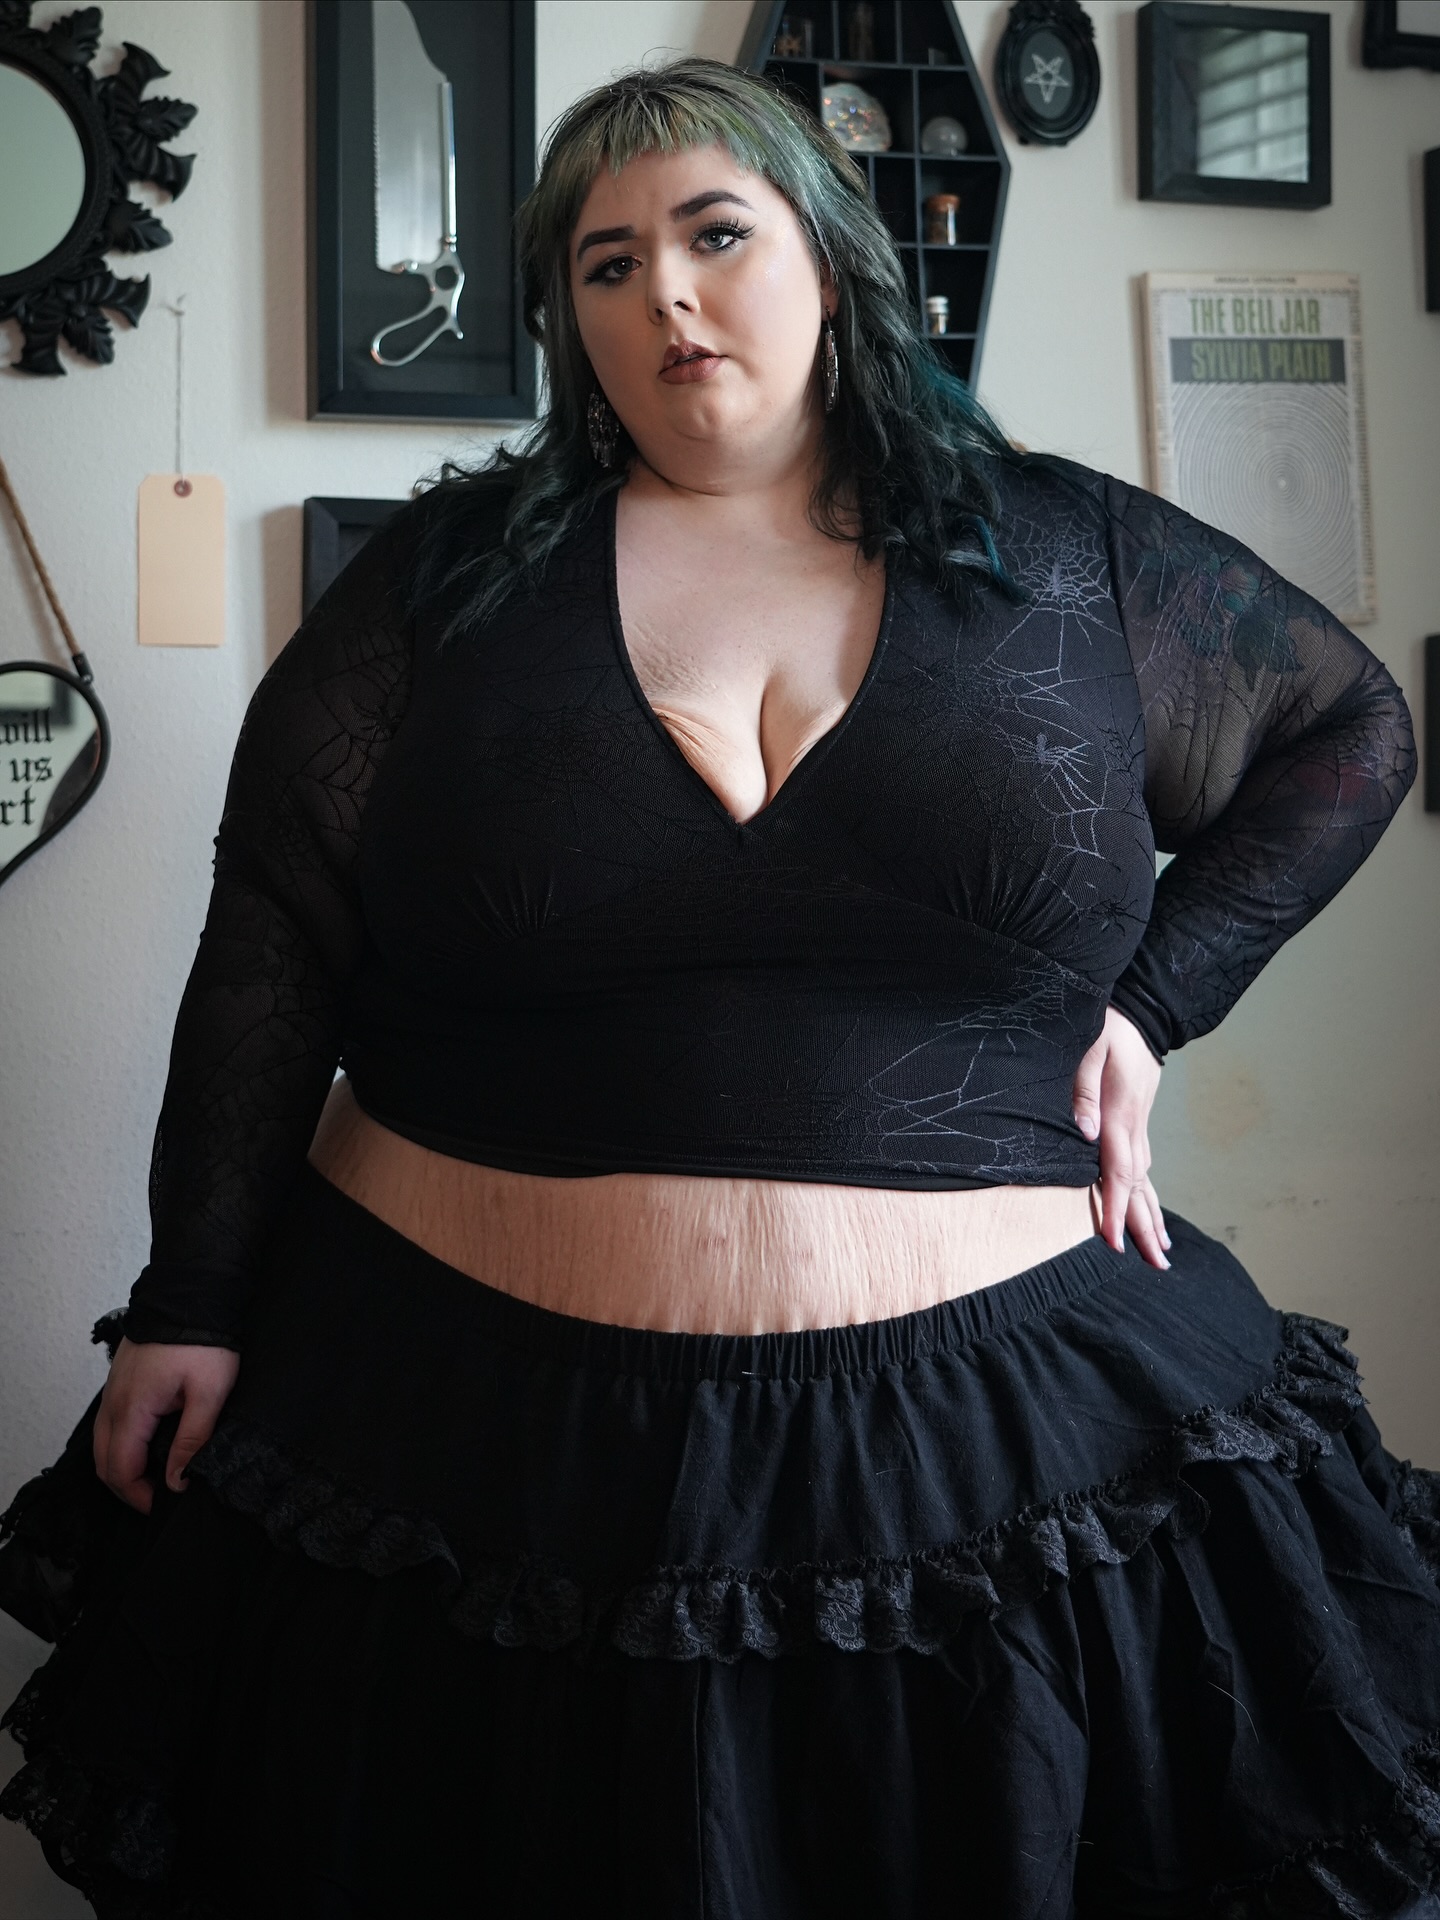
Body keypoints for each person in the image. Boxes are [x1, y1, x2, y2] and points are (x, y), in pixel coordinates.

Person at [2, 55, 1436, 1919]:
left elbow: (1351, 731)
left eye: (713, 235)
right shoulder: (439, 584)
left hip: (1011, 1452)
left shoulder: (1072, 554)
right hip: (456, 1447)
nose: (664, 294)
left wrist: (1157, 1004)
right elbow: (276, 924)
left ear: (830, 261)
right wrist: (190, 1297)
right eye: (606, 265)